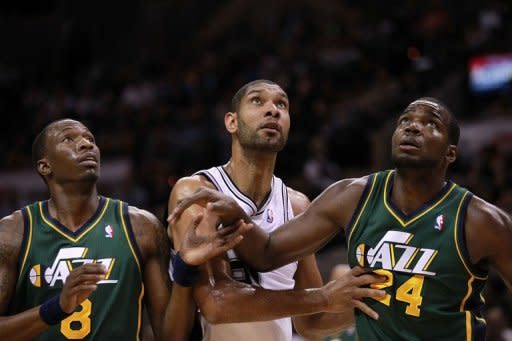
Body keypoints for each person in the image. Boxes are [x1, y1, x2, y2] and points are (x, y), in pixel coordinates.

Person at [170, 97, 512, 340]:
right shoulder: (351, 196)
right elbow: (267, 253)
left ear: (451, 152)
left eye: (429, 124)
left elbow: (311, 322)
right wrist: (239, 214)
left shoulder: (481, 221)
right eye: (405, 122)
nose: (412, 128)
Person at [168, 79, 385, 341]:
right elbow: (216, 303)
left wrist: (380, 299)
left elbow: (311, 323)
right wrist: (324, 297)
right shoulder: (196, 192)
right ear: (231, 122)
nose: (273, 110)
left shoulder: (296, 205)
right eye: (257, 101)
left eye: (281, 104)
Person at [0, 118, 250, 340]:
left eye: (90, 139)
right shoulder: (13, 233)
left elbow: (170, 336)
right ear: (45, 166)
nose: (87, 145)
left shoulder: (141, 227)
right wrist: (57, 308)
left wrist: (185, 267)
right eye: (69, 139)